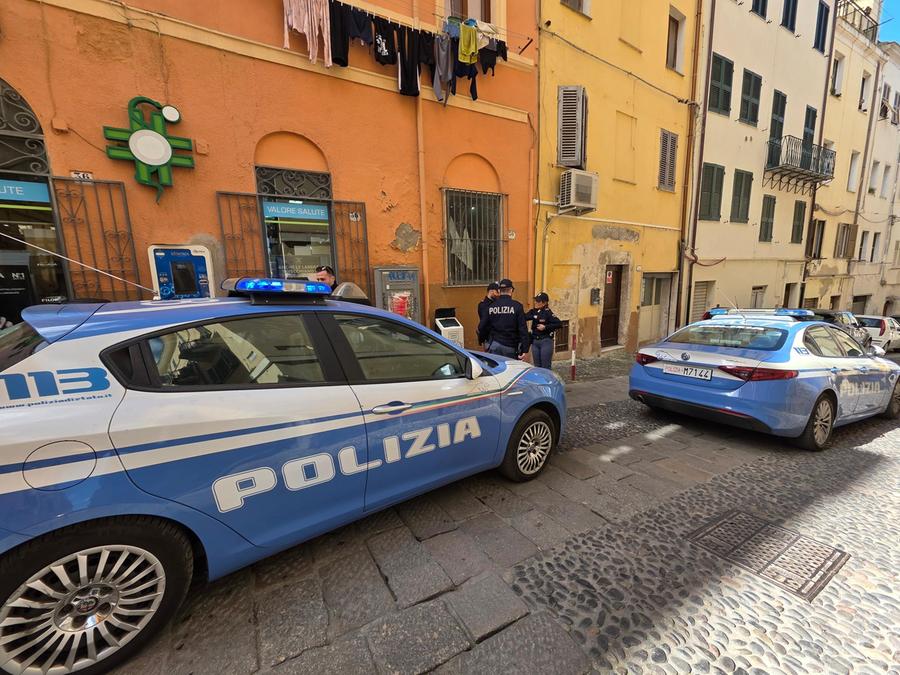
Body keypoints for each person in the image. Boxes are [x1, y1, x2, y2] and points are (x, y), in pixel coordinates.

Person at [477, 278, 529, 359]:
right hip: (510, 346)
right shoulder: (517, 306)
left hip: (494, 345)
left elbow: (481, 327)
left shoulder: (491, 306)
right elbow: (522, 329)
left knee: (495, 367)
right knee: (510, 367)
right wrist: (525, 349)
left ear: (499, 290)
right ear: (511, 290)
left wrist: (485, 342)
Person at [525, 292, 562, 369]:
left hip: (545, 341)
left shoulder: (548, 312)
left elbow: (559, 324)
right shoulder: (534, 311)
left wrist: (545, 327)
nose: (535, 302)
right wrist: (534, 316)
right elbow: (524, 317)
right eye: (535, 300)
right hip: (535, 341)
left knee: (545, 366)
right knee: (537, 366)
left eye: (538, 301)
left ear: (544, 303)